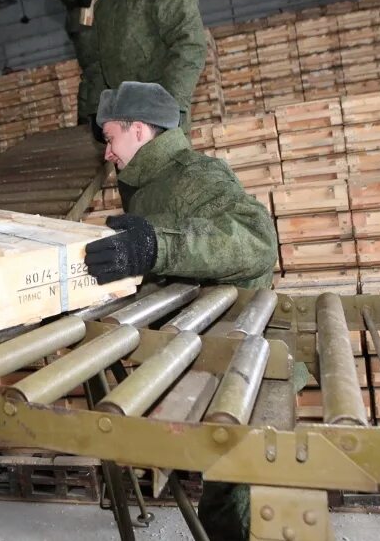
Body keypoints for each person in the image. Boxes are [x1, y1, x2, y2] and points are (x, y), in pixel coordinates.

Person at [81, 82, 278, 541]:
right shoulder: (145, 184)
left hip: (235, 353)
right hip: (198, 344)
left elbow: (257, 242)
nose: (107, 152)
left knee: (231, 499)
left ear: (139, 132)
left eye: (111, 138)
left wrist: (154, 246)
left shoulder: (195, 175)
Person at [81, 0, 209, 134]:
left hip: (160, 117)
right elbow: (96, 60)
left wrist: (170, 108)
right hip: (122, 120)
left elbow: (190, 47)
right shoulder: (104, 2)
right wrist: (97, 109)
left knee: (165, 168)